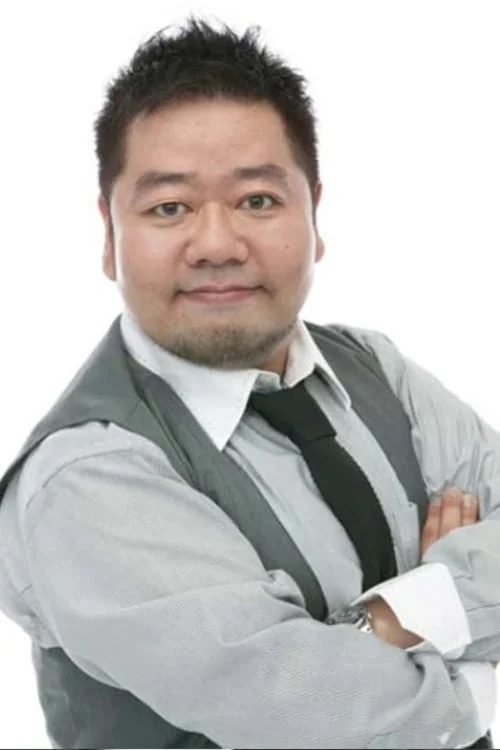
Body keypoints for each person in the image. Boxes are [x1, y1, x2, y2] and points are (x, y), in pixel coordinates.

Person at [0, 17, 498, 750]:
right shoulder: (86, 477)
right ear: (109, 235)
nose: (217, 245)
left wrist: (393, 621)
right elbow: (327, 724)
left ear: (314, 214)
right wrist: (476, 664)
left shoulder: (376, 368)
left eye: (258, 200)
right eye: (169, 208)